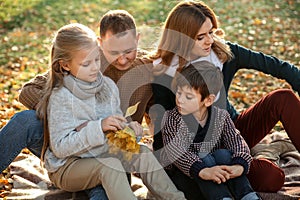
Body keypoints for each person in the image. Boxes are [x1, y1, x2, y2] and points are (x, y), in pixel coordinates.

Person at [0, 9, 153, 199]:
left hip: (107, 156)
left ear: (137, 40)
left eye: (129, 51)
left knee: (106, 188)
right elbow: (28, 91)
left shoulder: (147, 69)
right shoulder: (87, 60)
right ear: (100, 43)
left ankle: (86, 186)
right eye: (114, 51)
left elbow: (158, 114)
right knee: (26, 121)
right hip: (67, 146)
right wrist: (74, 118)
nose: (122, 59)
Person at [150, 0, 300, 193]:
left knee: (283, 98)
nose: (210, 40)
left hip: (232, 131)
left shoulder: (222, 53)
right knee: (271, 178)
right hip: (196, 151)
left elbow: (279, 67)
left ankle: (241, 160)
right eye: (200, 37)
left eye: (211, 32)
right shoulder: (164, 71)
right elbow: (163, 134)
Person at [36, 22, 185, 200]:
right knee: (110, 166)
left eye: (97, 60)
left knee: (143, 153)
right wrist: (99, 127)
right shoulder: (61, 96)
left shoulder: (107, 86)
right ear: (65, 65)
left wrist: (130, 131)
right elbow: (60, 148)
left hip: (102, 154)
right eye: (86, 64)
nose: (94, 68)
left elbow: (115, 133)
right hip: (68, 166)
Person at [161, 60, 260, 199]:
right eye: (178, 93)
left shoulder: (221, 117)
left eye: (188, 96)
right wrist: (203, 170)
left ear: (208, 100)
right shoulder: (172, 118)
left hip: (217, 173)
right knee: (204, 158)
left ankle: (247, 196)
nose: (180, 100)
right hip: (187, 176)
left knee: (224, 155)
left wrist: (239, 166)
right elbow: (177, 151)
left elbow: (237, 141)